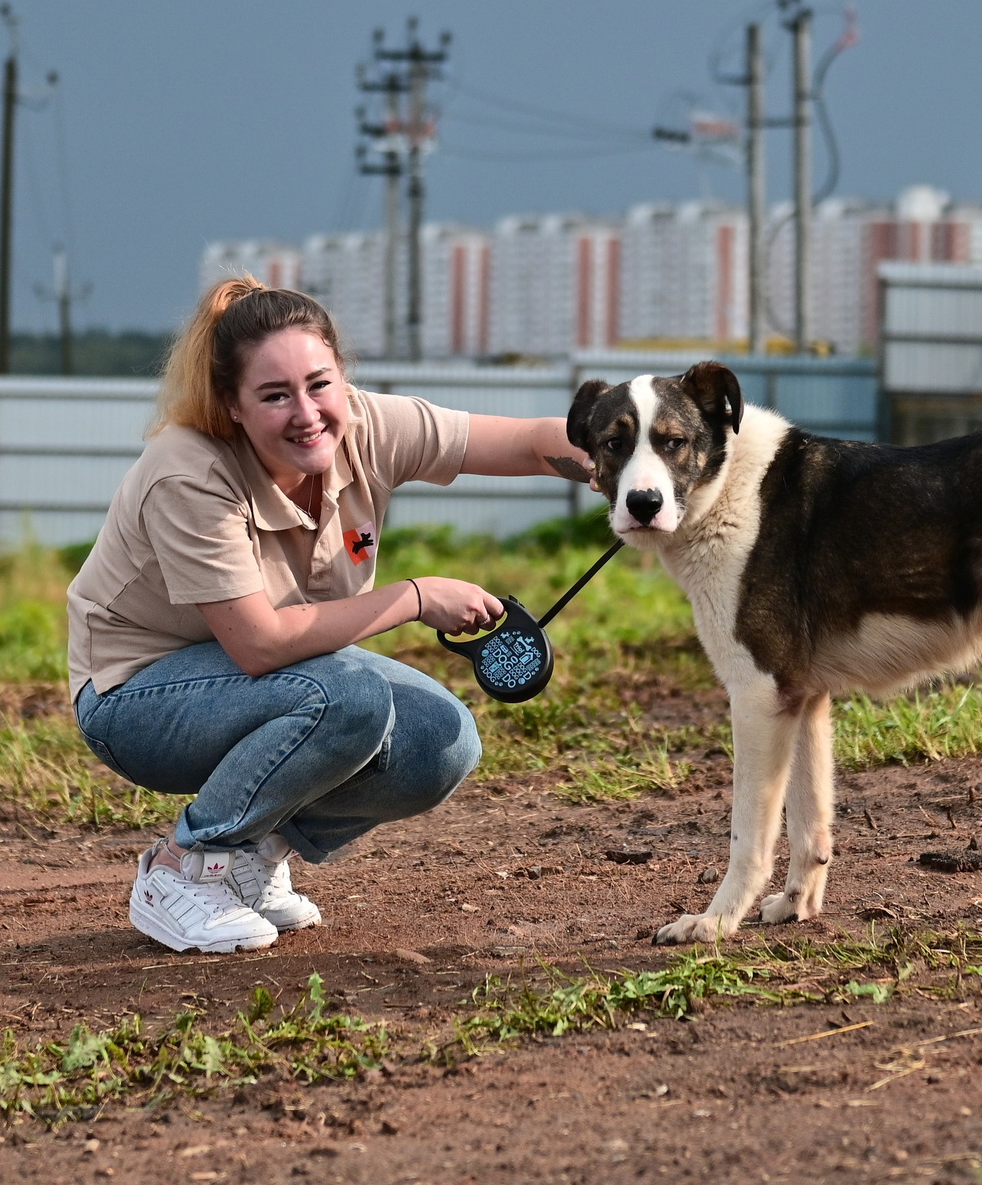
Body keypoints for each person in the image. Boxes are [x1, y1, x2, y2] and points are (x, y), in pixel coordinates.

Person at [68, 278, 593, 953]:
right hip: (135, 697)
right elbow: (259, 645)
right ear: (231, 405)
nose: (307, 412)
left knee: (444, 738)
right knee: (351, 699)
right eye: (275, 395)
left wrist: (631, 470)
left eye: (319, 384)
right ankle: (184, 865)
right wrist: (415, 596)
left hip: (269, 681)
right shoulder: (189, 473)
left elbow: (526, 442)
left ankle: (254, 855)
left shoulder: (367, 427)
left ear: (343, 376)